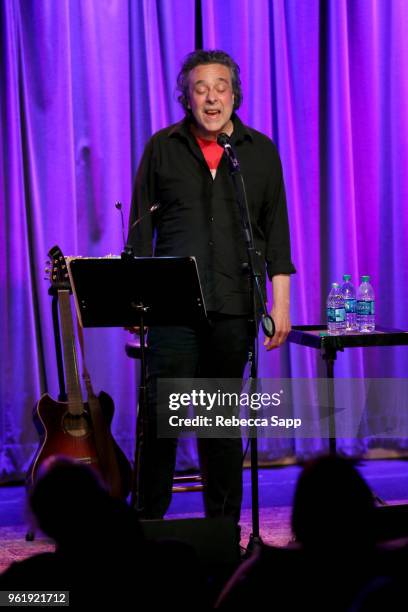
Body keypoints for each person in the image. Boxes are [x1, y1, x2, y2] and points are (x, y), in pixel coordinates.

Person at [128, 49, 296, 527]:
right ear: (187, 97)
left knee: (219, 425)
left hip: (235, 308)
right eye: (200, 88)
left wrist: (279, 304)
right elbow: (140, 232)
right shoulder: (163, 147)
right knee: (161, 419)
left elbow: (275, 233)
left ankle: (222, 531)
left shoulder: (259, 151)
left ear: (235, 94)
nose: (211, 97)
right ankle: (146, 528)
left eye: (220, 87)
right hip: (171, 309)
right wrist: (135, 300)